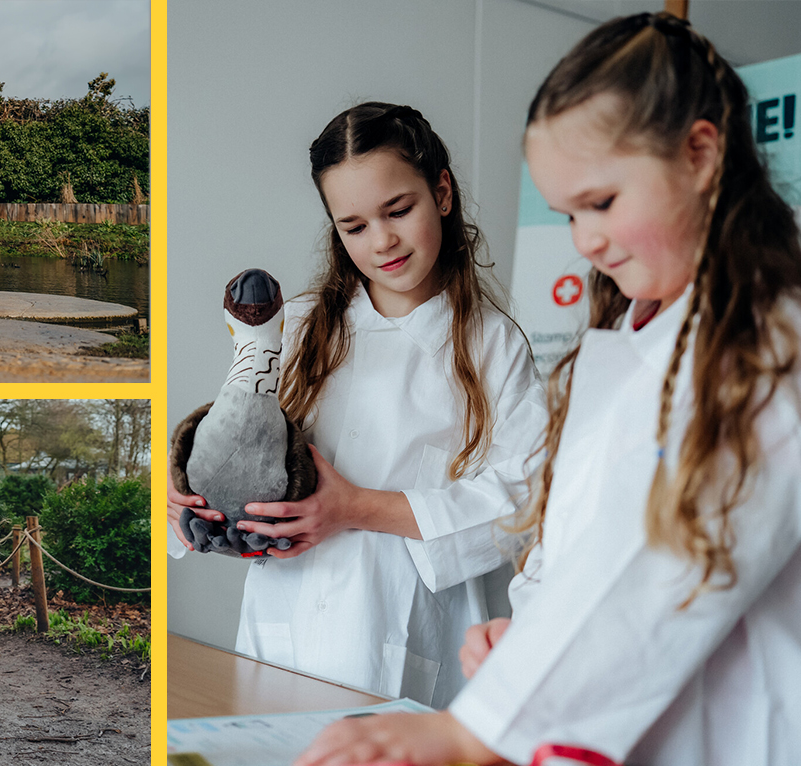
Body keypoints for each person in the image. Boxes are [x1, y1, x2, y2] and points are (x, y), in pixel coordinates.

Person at [297, 13, 801, 766]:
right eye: (569, 214)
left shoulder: (770, 344)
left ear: (700, 153)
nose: (585, 241)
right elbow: (575, 540)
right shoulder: (637, 335)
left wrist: (481, 726)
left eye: (601, 203)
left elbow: (673, 560)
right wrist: (533, 632)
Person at [167, 102, 547, 708]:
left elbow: (525, 501)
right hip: (282, 626)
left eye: (399, 210)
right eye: (355, 226)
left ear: (442, 192)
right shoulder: (291, 327)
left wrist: (357, 508)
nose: (383, 241)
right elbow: (240, 442)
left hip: (408, 635)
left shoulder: (493, 346)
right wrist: (184, 492)